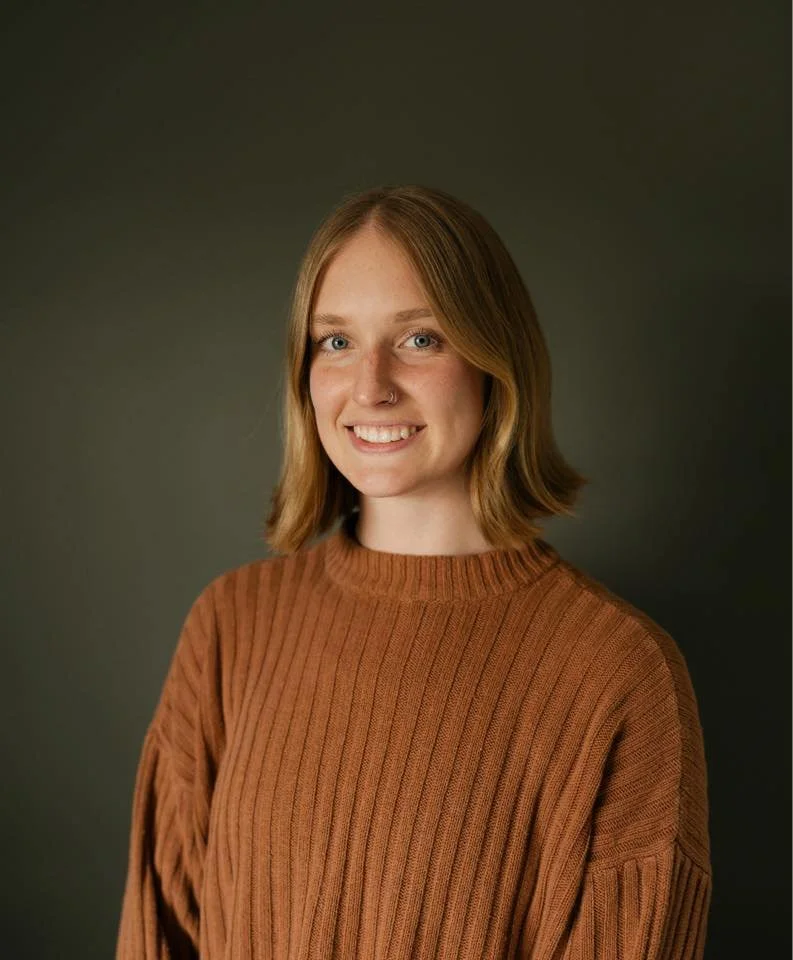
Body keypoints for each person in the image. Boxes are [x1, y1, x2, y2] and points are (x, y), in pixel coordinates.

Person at [116, 185, 712, 959]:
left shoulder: (617, 671)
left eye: (420, 339)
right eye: (335, 341)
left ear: (496, 362)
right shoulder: (230, 626)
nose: (370, 386)